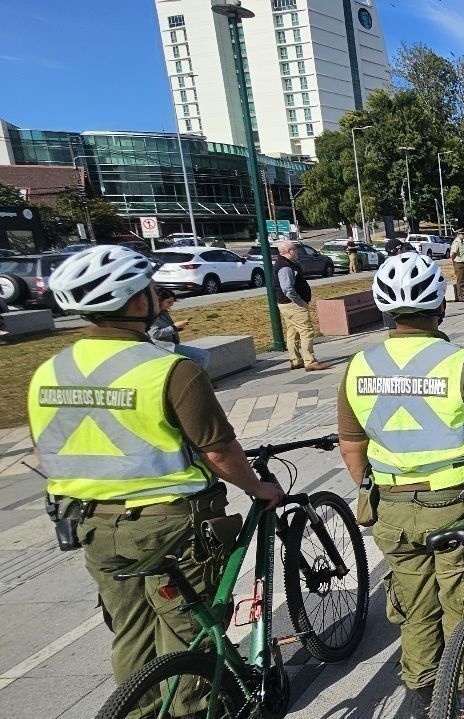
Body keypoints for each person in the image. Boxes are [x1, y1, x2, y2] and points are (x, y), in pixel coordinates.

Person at [28, 245, 283, 705]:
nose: (157, 295)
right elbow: (219, 450)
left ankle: (138, 709)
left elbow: (44, 448)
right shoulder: (170, 369)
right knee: (192, 635)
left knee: (130, 632)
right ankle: (191, 710)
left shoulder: (49, 371)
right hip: (174, 527)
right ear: (133, 301)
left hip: (89, 525)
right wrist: (257, 486)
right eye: (150, 288)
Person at [337, 252, 464, 718]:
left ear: (386, 311)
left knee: (414, 605)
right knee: (463, 602)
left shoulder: (358, 366)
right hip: (456, 504)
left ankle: (421, 695)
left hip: (393, 507)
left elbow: (350, 446)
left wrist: (375, 487)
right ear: (440, 305)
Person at [275, 240, 330, 371]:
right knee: (306, 331)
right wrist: (300, 302)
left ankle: (295, 360)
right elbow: (287, 288)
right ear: (289, 251)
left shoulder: (285, 264)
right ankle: (310, 361)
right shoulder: (285, 266)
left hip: (286, 304)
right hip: (293, 305)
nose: (297, 252)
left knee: (292, 332)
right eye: (295, 249)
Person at [148, 287, 210, 371]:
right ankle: (200, 381)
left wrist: (178, 328)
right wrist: (174, 327)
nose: (171, 304)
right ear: (158, 301)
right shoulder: (153, 315)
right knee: (202, 355)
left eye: (173, 302)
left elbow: (166, 329)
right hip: (163, 347)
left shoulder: (163, 312)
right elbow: (155, 334)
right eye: (169, 302)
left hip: (170, 345)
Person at [449, 231, 464, 301]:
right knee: (461, 280)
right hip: (459, 263)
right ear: (458, 234)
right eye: (461, 234)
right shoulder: (456, 242)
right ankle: (461, 296)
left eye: (463, 233)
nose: (463, 235)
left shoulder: (462, 242)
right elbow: (453, 254)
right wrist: (454, 261)